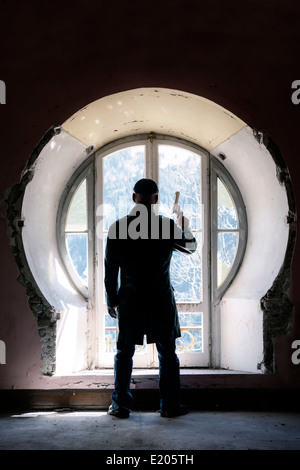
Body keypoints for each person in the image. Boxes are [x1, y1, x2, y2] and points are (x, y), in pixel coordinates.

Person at [104, 178, 197, 418]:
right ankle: (169, 405)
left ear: (134, 197)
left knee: (124, 352)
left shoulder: (118, 227)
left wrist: (111, 299)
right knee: (167, 353)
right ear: (156, 199)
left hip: (130, 298)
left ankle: (121, 404)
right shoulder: (165, 227)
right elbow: (191, 246)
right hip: (160, 299)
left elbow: (110, 269)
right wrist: (183, 223)